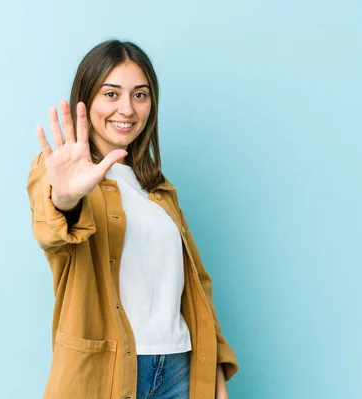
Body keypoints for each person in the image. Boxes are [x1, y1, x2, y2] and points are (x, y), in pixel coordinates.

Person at [26, 39, 238, 399]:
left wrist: (215, 377)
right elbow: (53, 229)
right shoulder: (58, 172)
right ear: (87, 99)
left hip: (179, 368)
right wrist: (65, 197)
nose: (126, 108)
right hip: (105, 374)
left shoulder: (158, 189)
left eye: (140, 95)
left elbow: (197, 289)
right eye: (111, 94)